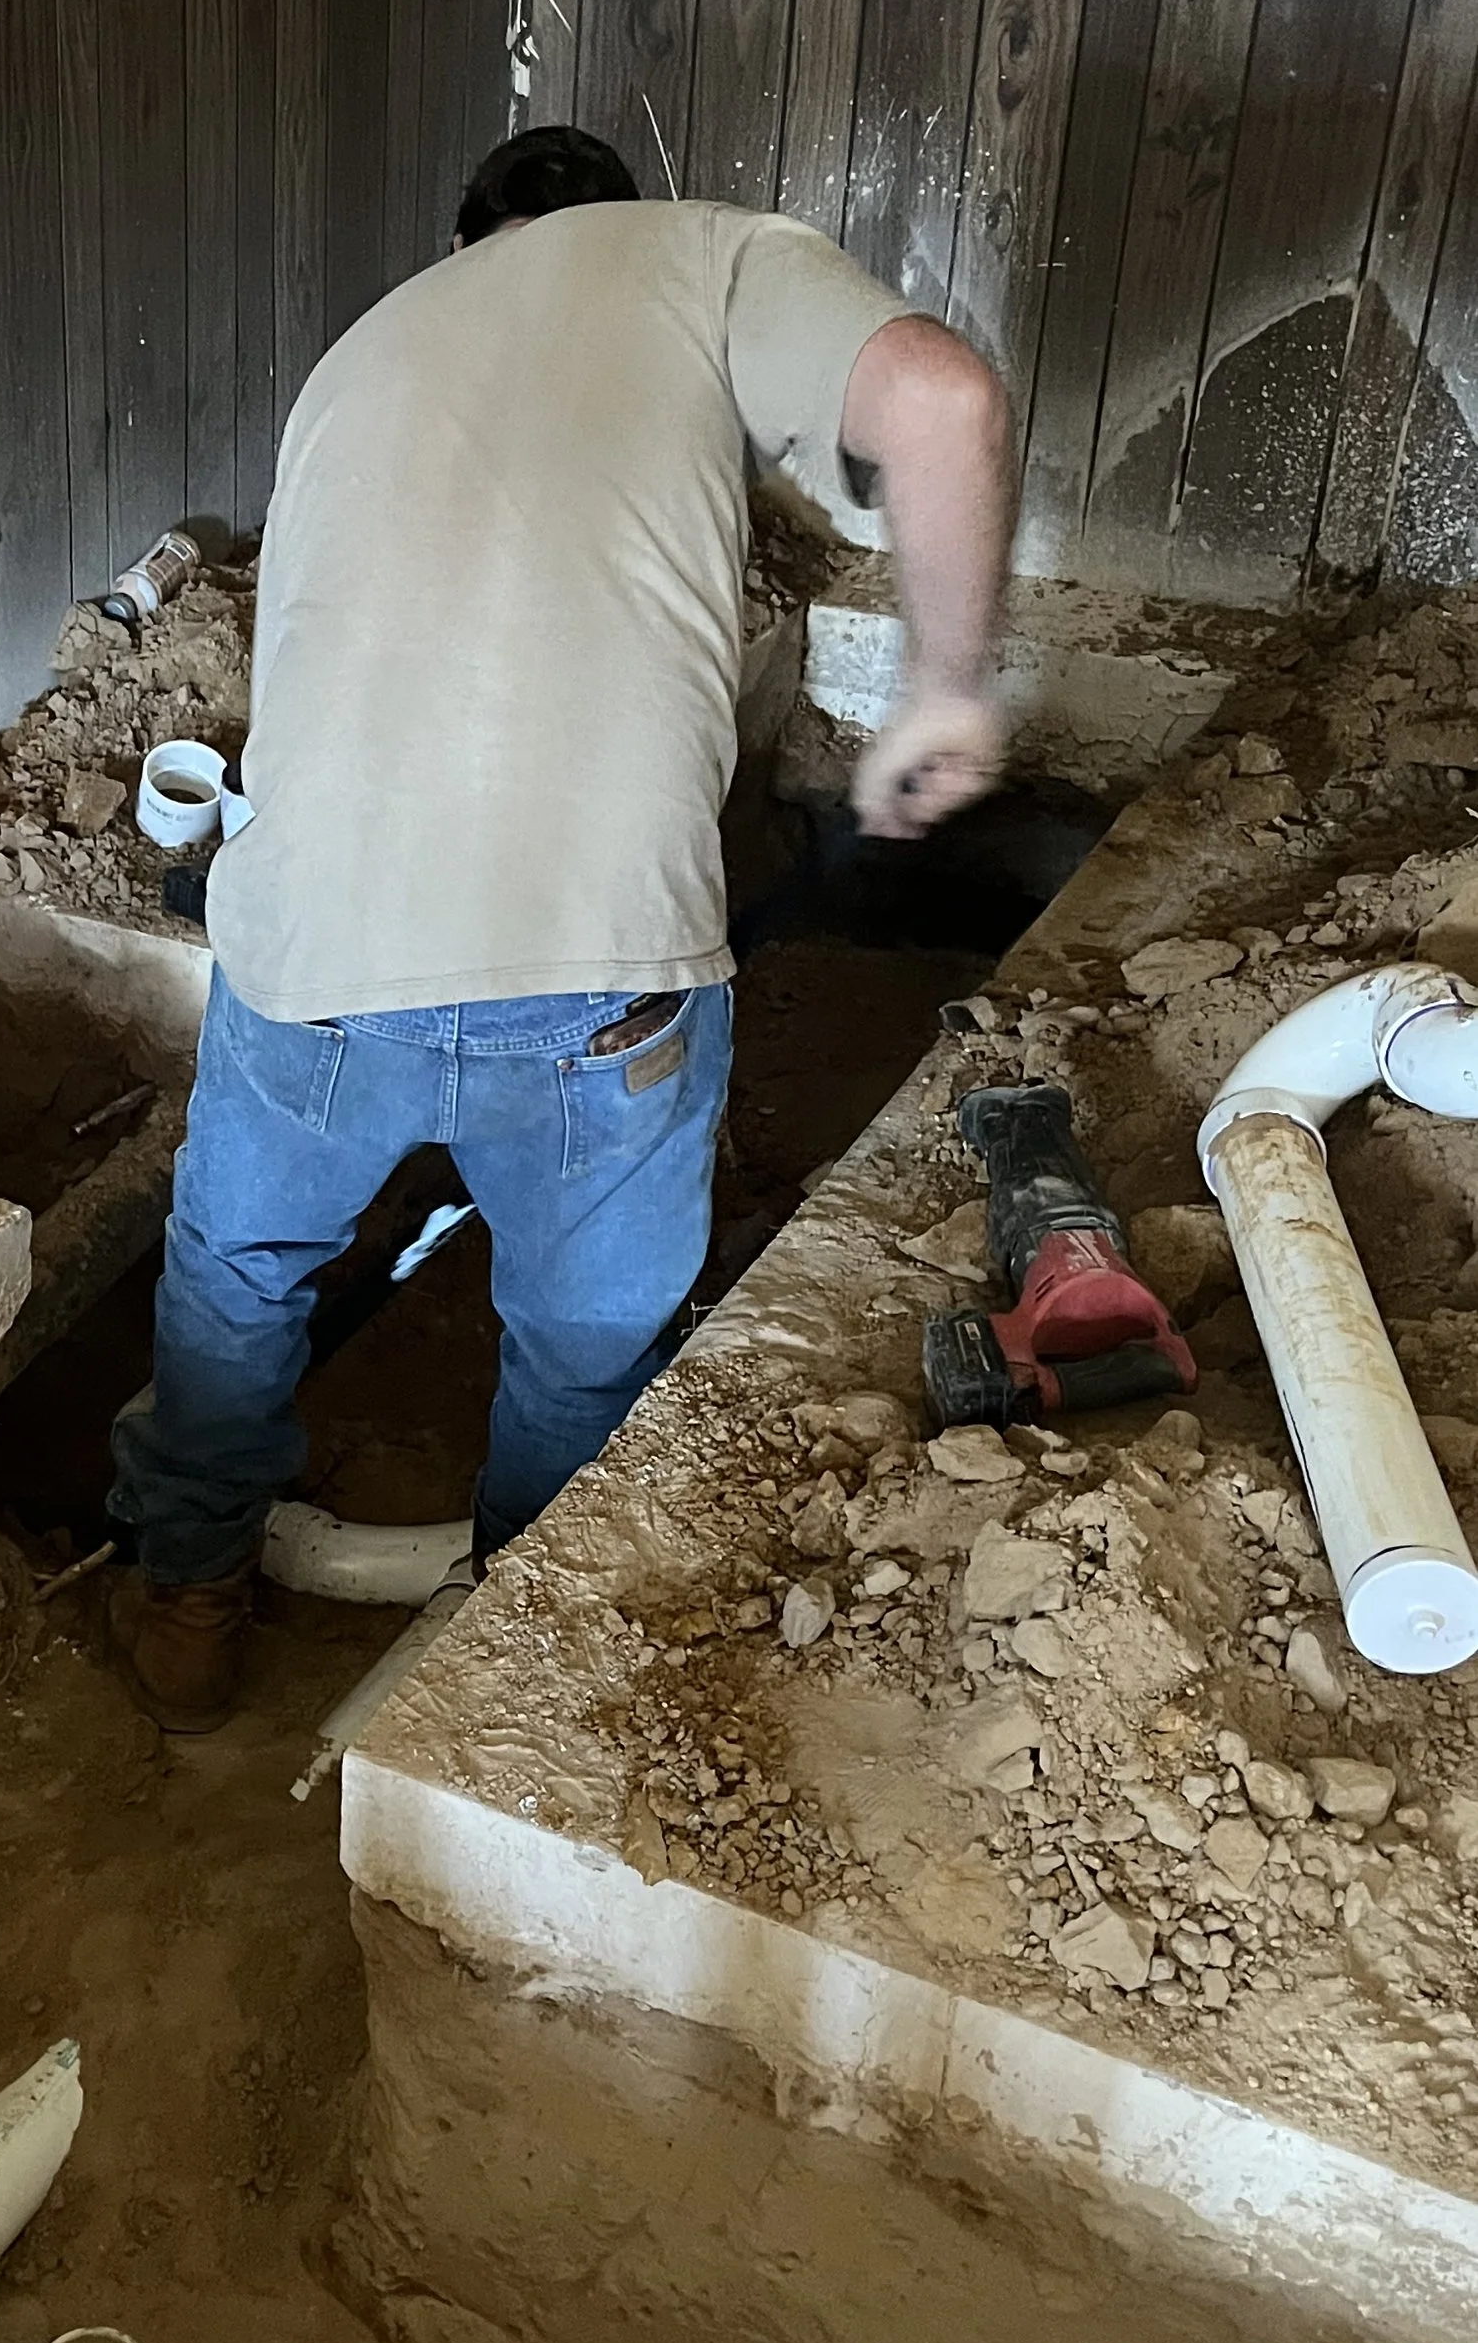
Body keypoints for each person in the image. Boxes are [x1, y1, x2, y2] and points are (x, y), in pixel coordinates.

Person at [108, 124, 1015, 1731]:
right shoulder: (708, 255)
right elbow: (939, 398)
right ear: (626, 215)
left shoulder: (360, 349)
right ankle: (501, 1642)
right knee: (586, 1338)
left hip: (315, 963)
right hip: (605, 989)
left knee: (239, 1273)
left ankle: (187, 1589)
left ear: (476, 237)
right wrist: (947, 685)